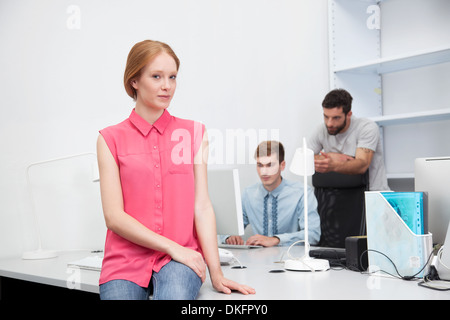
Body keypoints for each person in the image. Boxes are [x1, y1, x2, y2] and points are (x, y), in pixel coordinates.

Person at [97, 40, 255, 300]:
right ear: (134, 80)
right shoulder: (109, 139)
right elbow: (114, 217)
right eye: (156, 76)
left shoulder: (194, 133)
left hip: (180, 262)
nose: (167, 86)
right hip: (125, 260)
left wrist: (216, 272)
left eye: (172, 77)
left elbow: (201, 206)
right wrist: (173, 247)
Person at [224, 141, 321, 247]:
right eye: (260, 165)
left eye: (270, 165)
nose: (264, 172)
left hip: (291, 258)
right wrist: (229, 236)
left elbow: (313, 235)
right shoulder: (248, 194)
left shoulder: (302, 193)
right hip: (256, 259)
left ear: (282, 165)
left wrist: (276, 240)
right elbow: (225, 230)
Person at [308, 88, 389, 191]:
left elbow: (362, 165)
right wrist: (332, 157)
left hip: (373, 194)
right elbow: (304, 159)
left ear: (349, 115)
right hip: (337, 197)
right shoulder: (321, 129)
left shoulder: (367, 127)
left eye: (336, 118)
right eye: (326, 117)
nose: (329, 123)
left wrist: (332, 165)